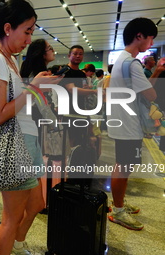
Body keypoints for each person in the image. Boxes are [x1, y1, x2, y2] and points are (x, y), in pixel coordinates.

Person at [0, 1, 62, 254]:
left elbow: (16, 104)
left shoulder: (9, 60)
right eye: (27, 31)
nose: (29, 38)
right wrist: (34, 87)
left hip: (26, 140)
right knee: (11, 217)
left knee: (37, 202)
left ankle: (18, 243)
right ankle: (11, 245)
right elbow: (0, 114)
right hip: (14, 146)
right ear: (8, 28)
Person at [107, 17, 165, 230]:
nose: (151, 44)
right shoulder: (131, 63)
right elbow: (150, 95)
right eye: (150, 38)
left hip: (123, 121)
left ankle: (118, 203)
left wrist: (157, 71)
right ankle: (118, 211)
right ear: (139, 36)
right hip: (128, 123)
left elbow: (139, 90)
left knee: (123, 165)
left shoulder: (123, 60)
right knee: (124, 166)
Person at [58, 45, 98, 147]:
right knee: (69, 138)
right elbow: (72, 89)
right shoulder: (65, 71)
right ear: (69, 55)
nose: (78, 56)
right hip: (67, 111)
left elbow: (83, 89)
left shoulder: (81, 74)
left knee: (79, 137)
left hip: (79, 109)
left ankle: (76, 159)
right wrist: (94, 91)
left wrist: (87, 89)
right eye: (75, 53)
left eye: (80, 54)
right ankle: (67, 161)